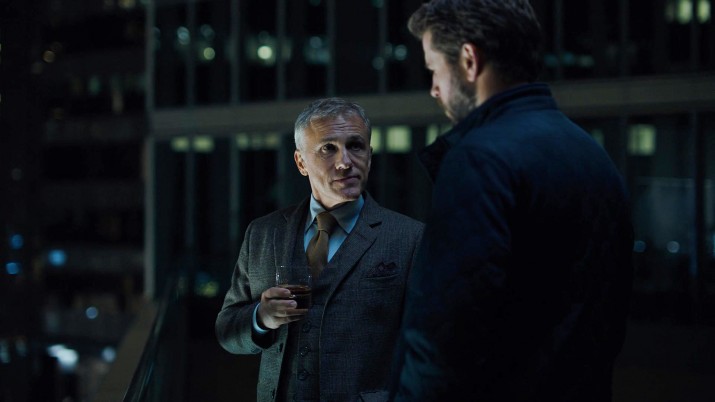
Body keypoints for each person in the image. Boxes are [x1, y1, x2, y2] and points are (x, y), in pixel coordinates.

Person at [391, 1, 634, 401]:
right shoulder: (592, 154)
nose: (433, 88)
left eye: (434, 68)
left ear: (469, 61)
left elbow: (445, 338)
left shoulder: (480, 159)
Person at [216, 98, 424, 402]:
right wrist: (262, 317)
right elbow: (226, 331)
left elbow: (433, 343)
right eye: (328, 148)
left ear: (369, 155)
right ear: (301, 163)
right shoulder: (262, 233)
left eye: (355, 146)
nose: (345, 162)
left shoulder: (411, 238)